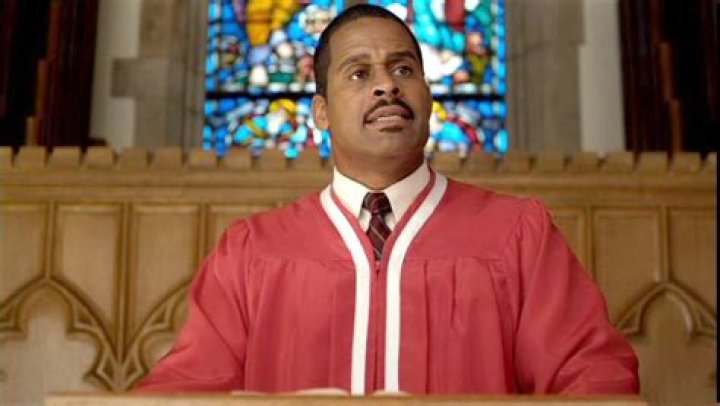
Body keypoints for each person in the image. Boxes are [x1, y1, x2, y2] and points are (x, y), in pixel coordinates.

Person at [137, 4, 639, 395]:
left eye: (403, 70)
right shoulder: (250, 253)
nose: (386, 86)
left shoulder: (518, 236)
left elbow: (594, 378)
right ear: (320, 112)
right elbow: (185, 391)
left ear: (428, 95)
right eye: (359, 74)